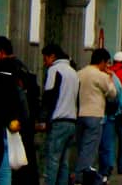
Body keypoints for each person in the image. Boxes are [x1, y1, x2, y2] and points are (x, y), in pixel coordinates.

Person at [0, 36, 36, 185]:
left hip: (9, 123)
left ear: (0, 52)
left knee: (6, 162)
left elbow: (10, 96)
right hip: (22, 123)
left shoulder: (4, 69)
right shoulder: (23, 67)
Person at [73, 49, 116, 185]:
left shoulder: (79, 73)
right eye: (107, 63)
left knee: (82, 148)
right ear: (102, 61)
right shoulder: (100, 75)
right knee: (90, 150)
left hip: (79, 114)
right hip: (95, 115)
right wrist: (110, 78)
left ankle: (86, 176)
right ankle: (80, 177)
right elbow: (112, 94)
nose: (107, 66)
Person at [41, 44, 80, 185]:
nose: (44, 63)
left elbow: (49, 97)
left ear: (52, 56)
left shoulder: (54, 70)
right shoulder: (73, 72)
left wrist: (43, 119)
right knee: (64, 162)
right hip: (71, 121)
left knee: (52, 161)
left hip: (58, 120)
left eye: (45, 59)